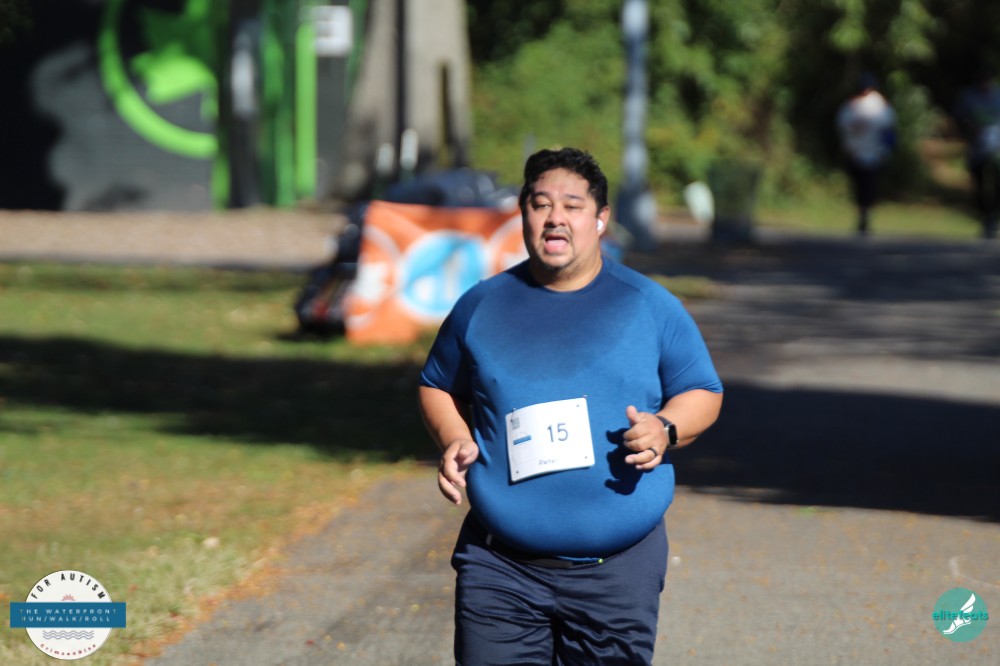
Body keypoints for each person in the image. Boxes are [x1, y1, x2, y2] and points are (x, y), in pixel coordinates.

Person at [418, 147, 724, 664]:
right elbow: (437, 384)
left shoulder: (649, 305)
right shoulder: (482, 305)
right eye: (540, 204)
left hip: (617, 573)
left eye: (573, 206)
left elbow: (703, 391)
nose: (555, 217)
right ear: (523, 215)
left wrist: (666, 428)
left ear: (601, 219)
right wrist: (454, 437)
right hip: (500, 568)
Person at [835, 72, 897, 236]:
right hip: (857, 153)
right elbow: (844, 129)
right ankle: (863, 215)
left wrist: (885, 150)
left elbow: (888, 131)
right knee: (860, 187)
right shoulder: (852, 105)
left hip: (873, 153)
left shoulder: (880, 105)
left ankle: (866, 216)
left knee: (869, 187)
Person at [954, 64, 1000, 239]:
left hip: (996, 150)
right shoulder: (969, 97)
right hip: (977, 149)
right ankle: (985, 217)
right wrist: (971, 128)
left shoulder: (998, 96)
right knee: (979, 185)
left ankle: (993, 217)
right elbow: (959, 118)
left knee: (997, 184)